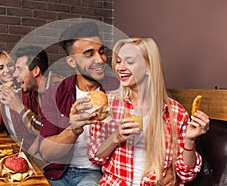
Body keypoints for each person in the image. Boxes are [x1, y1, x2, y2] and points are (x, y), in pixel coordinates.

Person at [87, 37, 210, 185]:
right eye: (118, 61)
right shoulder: (109, 105)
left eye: (130, 62)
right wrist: (116, 138)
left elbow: (186, 173)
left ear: (148, 67)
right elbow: (95, 155)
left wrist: (190, 141)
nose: (120, 67)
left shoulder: (175, 112)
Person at [38, 22, 120, 186]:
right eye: (89, 54)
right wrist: (73, 130)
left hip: (96, 173)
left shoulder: (117, 88)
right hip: (59, 173)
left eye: (101, 52)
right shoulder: (55, 93)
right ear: (72, 62)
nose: (100, 59)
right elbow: (46, 152)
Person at [0, 45, 49, 153]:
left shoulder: (57, 91)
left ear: (36, 71)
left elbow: (48, 130)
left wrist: (19, 107)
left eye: (20, 69)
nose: (15, 74)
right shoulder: (37, 92)